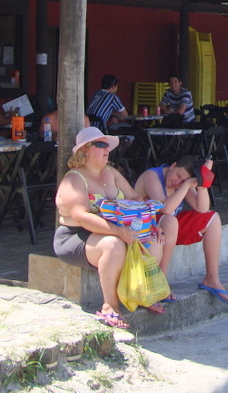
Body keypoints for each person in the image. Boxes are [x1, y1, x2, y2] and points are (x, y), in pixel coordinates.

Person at [53, 127, 189, 329]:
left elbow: (134, 197)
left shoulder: (111, 172)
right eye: (101, 145)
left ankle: (144, 293)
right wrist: (118, 231)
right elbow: (81, 216)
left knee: (153, 241)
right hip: (77, 236)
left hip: (116, 230)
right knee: (113, 244)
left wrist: (151, 224)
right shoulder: (73, 179)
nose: (106, 149)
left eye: (107, 145)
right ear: (85, 150)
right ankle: (110, 306)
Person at [134, 154, 228, 305]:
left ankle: (212, 279)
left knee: (212, 218)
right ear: (173, 165)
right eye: (178, 175)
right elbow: (165, 209)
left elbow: (202, 208)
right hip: (143, 228)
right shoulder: (152, 176)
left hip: (167, 231)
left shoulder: (182, 184)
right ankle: (161, 280)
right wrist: (186, 184)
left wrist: (202, 182)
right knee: (170, 219)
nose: (177, 182)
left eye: (182, 180)